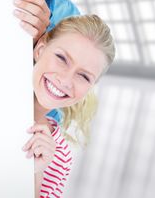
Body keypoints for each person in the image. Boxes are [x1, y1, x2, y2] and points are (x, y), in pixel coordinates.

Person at [22, 14, 115, 198]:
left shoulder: (60, 157)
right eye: (62, 58)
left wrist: (35, 173)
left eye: (84, 76)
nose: (65, 80)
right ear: (40, 49)